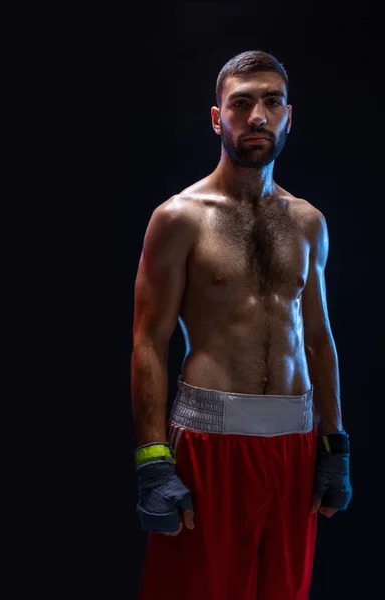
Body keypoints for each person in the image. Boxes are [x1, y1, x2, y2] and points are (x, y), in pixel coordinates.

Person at [131, 50, 352, 600]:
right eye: (242, 102)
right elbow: (148, 341)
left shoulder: (308, 221)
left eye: (271, 102)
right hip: (211, 443)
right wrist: (153, 459)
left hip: (295, 446)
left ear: (287, 116)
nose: (258, 115)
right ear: (217, 117)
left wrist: (335, 443)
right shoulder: (179, 217)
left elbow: (319, 338)